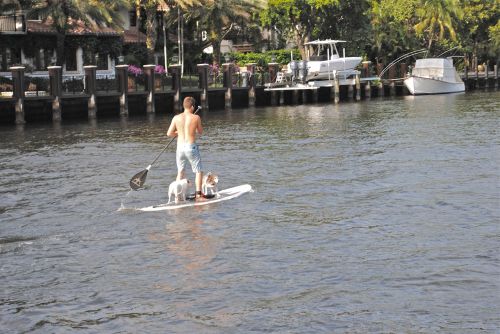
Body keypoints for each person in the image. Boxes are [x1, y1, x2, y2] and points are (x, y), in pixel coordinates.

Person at [167, 97, 205, 199]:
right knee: (199, 171)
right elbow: (200, 132)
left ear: (184, 106)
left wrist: (179, 132)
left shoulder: (176, 118)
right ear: (192, 107)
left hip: (179, 148)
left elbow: (169, 133)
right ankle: (198, 194)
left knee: (180, 172)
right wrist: (193, 129)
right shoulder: (196, 118)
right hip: (190, 147)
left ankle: (177, 196)